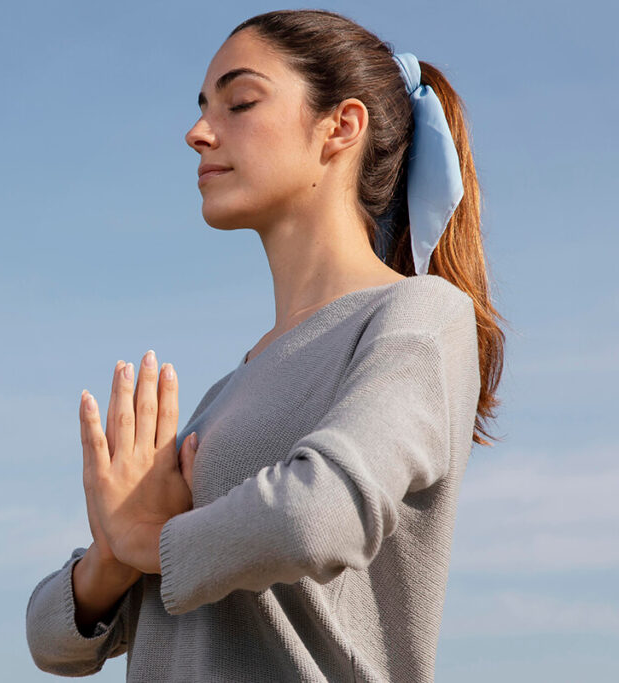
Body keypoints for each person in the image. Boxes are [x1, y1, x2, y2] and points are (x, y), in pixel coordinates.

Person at [25, 9, 506, 682]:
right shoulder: (227, 394)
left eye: (240, 101)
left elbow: (319, 514)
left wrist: (152, 542)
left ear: (340, 127)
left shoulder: (418, 316)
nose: (198, 133)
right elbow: (53, 640)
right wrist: (113, 554)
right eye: (202, 108)